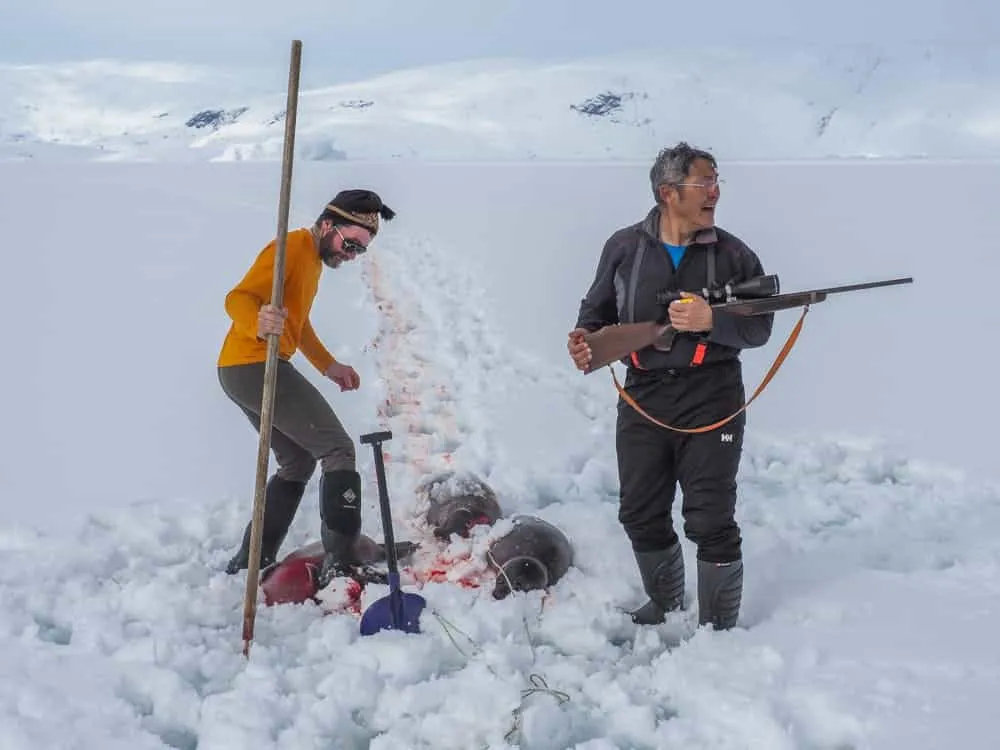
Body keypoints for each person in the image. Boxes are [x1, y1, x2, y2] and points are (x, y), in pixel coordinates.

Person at [567, 143, 773, 629]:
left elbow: (759, 329)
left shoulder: (736, 254)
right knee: (639, 511)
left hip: (713, 396)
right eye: (705, 183)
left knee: (709, 518)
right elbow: (595, 313)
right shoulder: (622, 247)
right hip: (643, 396)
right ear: (668, 192)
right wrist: (583, 340)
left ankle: (718, 628)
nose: (715, 193)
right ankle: (663, 605)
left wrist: (710, 322)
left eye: (717, 182)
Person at [219, 189, 395, 586]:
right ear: (327, 224)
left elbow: (298, 323)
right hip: (253, 364)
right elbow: (238, 298)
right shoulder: (289, 248)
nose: (351, 255)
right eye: (350, 244)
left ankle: (251, 559)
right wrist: (257, 320)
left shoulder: (311, 260)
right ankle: (343, 559)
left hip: (240, 368)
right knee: (337, 448)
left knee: (297, 462)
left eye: (360, 251)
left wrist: (328, 365)